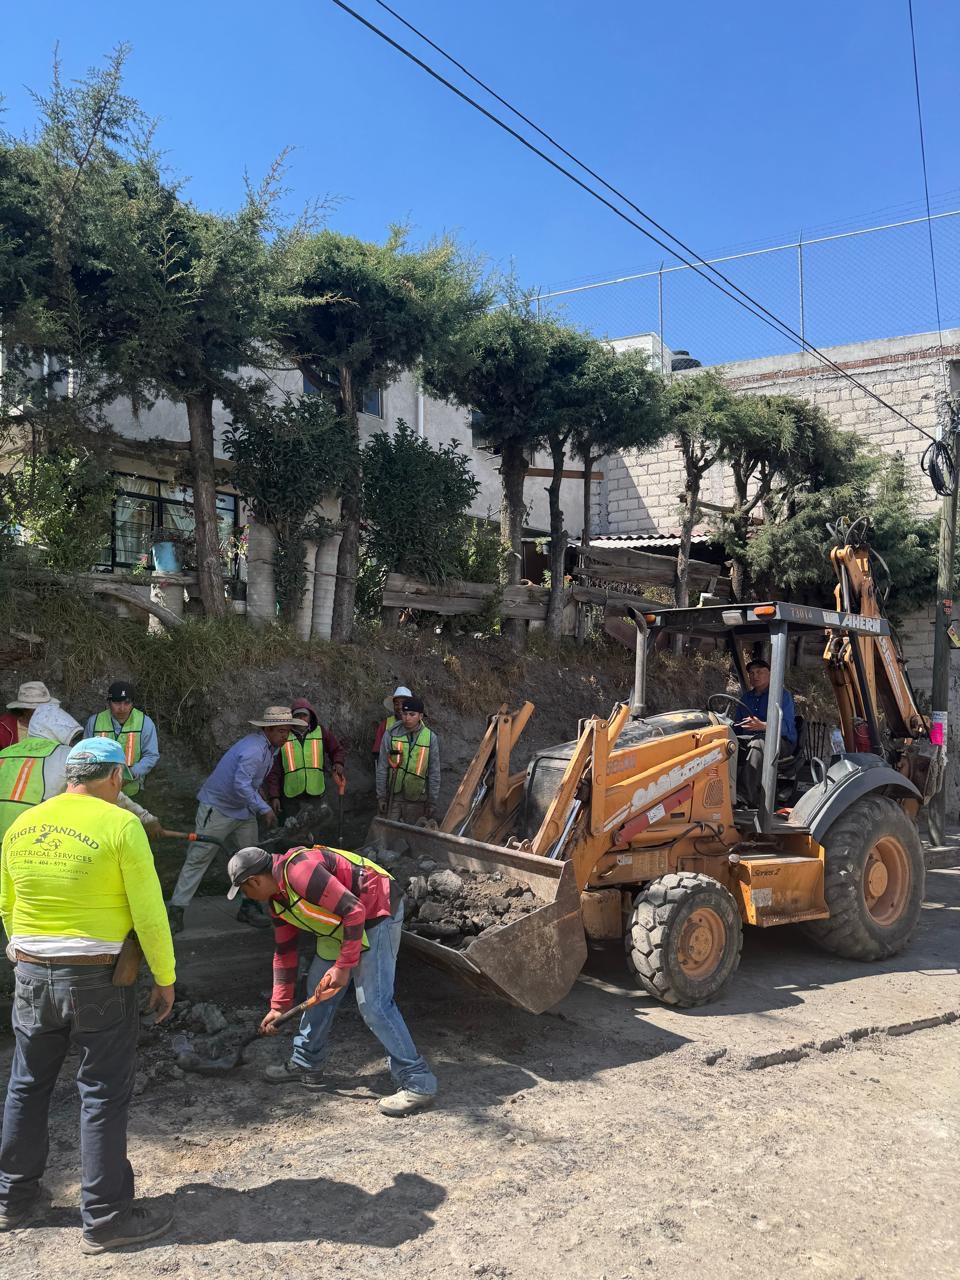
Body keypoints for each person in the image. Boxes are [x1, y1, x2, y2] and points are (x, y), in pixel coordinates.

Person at [0, 737, 176, 1253]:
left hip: (31, 974)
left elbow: (8, 904)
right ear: (116, 779)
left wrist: (25, 956)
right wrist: (164, 977)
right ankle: (104, 1217)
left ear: (69, 775)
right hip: (98, 981)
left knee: (27, 1086)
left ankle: (13, 1200)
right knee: (100, 1093)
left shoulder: (22, 825)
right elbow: (148, 913)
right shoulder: (121, 824)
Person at [228, 844, 437, 1116]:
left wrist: (343, 966)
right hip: (339, 925)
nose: (249, 896)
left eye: (245, 890)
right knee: (318, 991)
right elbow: (285, 952)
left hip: (375, 910)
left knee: (374, 1004)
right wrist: (278, 1006)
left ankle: (418, 1082)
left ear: (254, 880)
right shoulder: (278, 901)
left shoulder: (300, 872)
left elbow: (354, 910)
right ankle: (306, 1061)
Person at [166, 706, 300, 934]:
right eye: (280, 731)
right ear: (267, 729)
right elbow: (240, 784)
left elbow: (251, 783)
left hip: (243, 811)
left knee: (253, 860)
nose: (285, 736)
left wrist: (261, 799)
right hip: (218, 808)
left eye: (287, 731)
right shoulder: (254, 750)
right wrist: (263, 808)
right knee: (199, 857)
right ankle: (176, 911)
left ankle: (248, 906)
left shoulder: (271, 748)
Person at [0, 702, 162, 841]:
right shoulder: (65, 755)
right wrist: (146, 819)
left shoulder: (5, 753)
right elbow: (101, 786)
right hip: (32, 837)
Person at [266, 698, 346, 826]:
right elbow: (273, 769)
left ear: (311, 716)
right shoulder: (283, 736)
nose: (301, 718)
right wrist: (274, 796)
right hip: (291, 796)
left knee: (315, 829)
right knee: (292, 830)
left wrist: (338, 763)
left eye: (304, 715)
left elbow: (336, 750)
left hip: (315, 793)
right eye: (297, 715)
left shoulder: (321, 732)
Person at [735, 659, 798, 808]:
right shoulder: (746, 698)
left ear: (770, 674)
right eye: (751, 673)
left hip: (780, 741)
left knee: (759, 743)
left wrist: (763, 726)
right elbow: (736, 725)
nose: (755, 676)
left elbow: (787, 726)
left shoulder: (782, 696)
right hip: (747, 739)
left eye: (759, 672)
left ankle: (743, 796)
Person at [85, 682, 160, 798]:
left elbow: (151, 755)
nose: (122, 708)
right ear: (109, 703)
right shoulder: (94, 722)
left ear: (132, 703)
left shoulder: (145, 723)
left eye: (127, 703)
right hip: (99, 789)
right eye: (117, 702)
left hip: (131, 789)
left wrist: (130, 775)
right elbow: (84, 754)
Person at [377, 696, 440, 825]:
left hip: (417, 798)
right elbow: (382, 767)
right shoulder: (390, 734)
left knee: (411, 836)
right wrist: (381, 796)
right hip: (394, 796)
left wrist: (432, 801)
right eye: (405, 714)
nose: (407, 718)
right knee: (389, 832)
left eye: (412, 714)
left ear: (420, 716)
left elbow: (434, 772)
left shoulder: (430, 737)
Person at [0, 682, 58, 752]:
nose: (42, 711)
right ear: (24, 709)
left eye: (45, 708)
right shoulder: (4, 728)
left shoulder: (55, 722)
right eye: (36, 709)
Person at [372, 685, 412, 763]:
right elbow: (377, 752)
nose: (400, 707)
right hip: (390, 771)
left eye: (403, 703)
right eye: (396, 704)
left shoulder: (419, 725)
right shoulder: (385, 724)